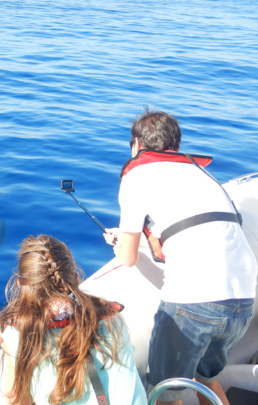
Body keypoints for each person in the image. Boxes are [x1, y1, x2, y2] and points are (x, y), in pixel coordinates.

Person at [104, 108, 257, 405]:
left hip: (196, 303)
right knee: (208, 381)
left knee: (166, 393)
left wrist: (121, 242)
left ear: (136, 145)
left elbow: (128, 258)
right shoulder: (200, 173)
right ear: (174, 145)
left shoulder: (136, 174)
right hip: (243, 301)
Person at [0, 234, 147, 405]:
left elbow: (16, 401)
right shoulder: (112, 320)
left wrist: (8, 341)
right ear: (75, 278)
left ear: (20, 285)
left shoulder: (15, 333)